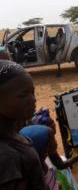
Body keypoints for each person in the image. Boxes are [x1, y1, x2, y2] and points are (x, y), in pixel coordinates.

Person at [0, 59, 47, 190]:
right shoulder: (6, 157)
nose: (33, 99)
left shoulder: (14, 132)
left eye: (32, 92)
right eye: (23, 95)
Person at [20, 124, 78, 190]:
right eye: (53, 139)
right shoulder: (36, 178)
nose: (56, 142)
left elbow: (61, 165)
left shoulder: (40, 157)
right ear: (44, 149)